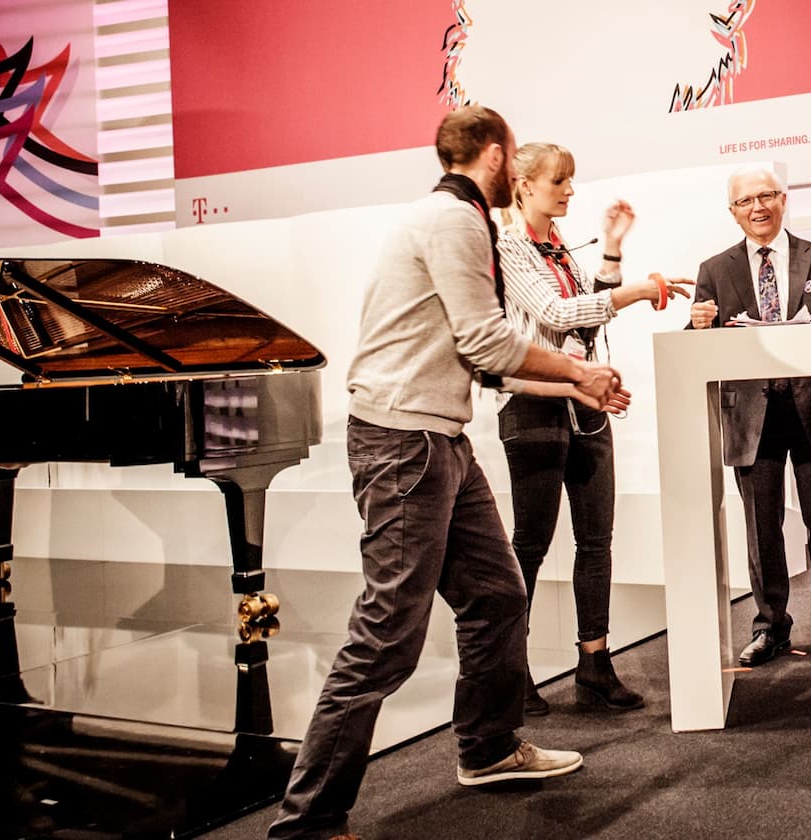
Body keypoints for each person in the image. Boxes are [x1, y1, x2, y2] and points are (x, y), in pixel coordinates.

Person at [269, 106, 622, 840]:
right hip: (405, 445)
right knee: (387, 635)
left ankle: (489, 749)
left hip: (437, 442)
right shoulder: (455, 222)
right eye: (518, 157)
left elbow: (478, 363)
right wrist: (578, 367)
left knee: (496, 595)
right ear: (496, 155)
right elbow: (489, 343)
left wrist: (573, 385)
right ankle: (307, 820)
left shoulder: (454, 222)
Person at [494, 142, 691, 714]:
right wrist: (632, 293)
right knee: (528, 547)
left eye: (571, 180)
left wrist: (611, 251)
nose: (571, 190)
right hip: (533, 408)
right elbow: (557, 316)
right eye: (560, 179)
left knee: (596, 542)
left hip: (585, 408)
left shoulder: (555, 245)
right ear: (525, 185)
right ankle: (511, 670)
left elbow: (584, 305)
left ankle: (594, 663)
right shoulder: (509, 247)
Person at [687, 164, 811, 667]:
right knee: (761, 529)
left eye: (766, 196)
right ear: (733, 211)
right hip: (751, 414)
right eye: (746, 201)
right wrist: (697, 323)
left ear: (784, 199)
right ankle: (771, 627)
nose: (758, 207)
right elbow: (699, 342)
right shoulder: (714, 270)